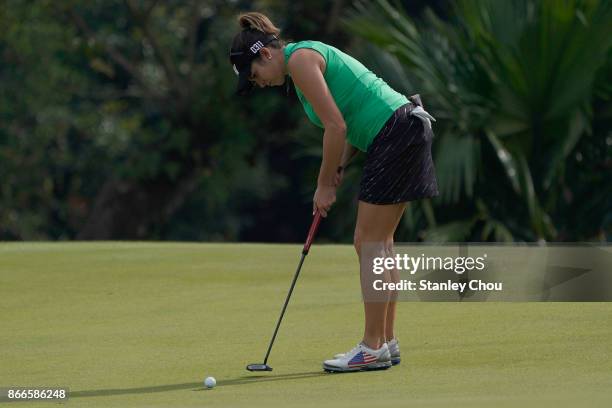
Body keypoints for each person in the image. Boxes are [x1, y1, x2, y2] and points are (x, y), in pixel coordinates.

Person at [229, 12, 439, 372]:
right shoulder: (300, 65)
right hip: (403, 129)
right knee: (381, 244)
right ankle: (386, 343)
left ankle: (371, 347)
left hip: (395, 133)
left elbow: (336, 125)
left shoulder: (299, 60)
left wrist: (324, 185)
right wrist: (339, 165)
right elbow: (351, 115)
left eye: (254, 76)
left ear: (264, 54)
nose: (258, 83)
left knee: (368, 242)